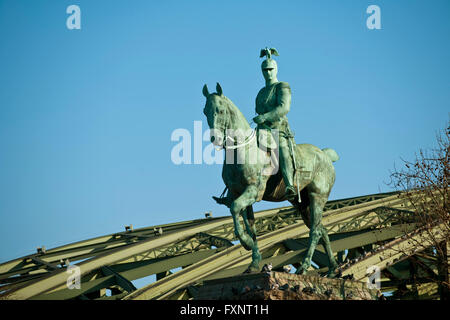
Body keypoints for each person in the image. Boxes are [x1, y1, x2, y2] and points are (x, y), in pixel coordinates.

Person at [253, 48, 297, 201]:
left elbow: (284, 107)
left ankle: (290, 185)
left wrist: (265, 116)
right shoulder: (260, 92)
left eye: (271, 69)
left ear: (276, 69)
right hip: (261, 131)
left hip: (278, 128)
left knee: (282, 149)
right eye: (265, 70)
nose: (268, 72)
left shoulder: (282, 86)